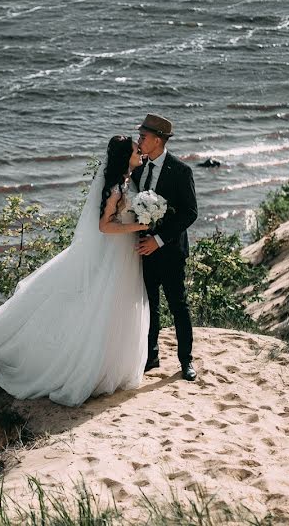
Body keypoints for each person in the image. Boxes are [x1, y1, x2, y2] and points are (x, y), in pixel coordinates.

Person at [0, 136, 149, 407]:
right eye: (135, 150)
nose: (139, 151)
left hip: (125, 254)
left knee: (119, 304)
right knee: (106, 303)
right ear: (123, 156)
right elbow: (104, 226)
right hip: (116, 252)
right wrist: (139, 227)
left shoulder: (130, 181)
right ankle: (95, 366)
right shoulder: (116, 188)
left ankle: (115, 365)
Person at [131, 114, 199, 381]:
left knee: (178, 305)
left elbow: (190, 213)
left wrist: (158, 240)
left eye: (143, 137)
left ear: (157, 140)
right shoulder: (138, 169)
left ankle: (186, 361)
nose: (139, 140)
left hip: (170, 252)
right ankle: (151, 355)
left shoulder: (181, 171)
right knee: (149, 305)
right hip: (143, 252)